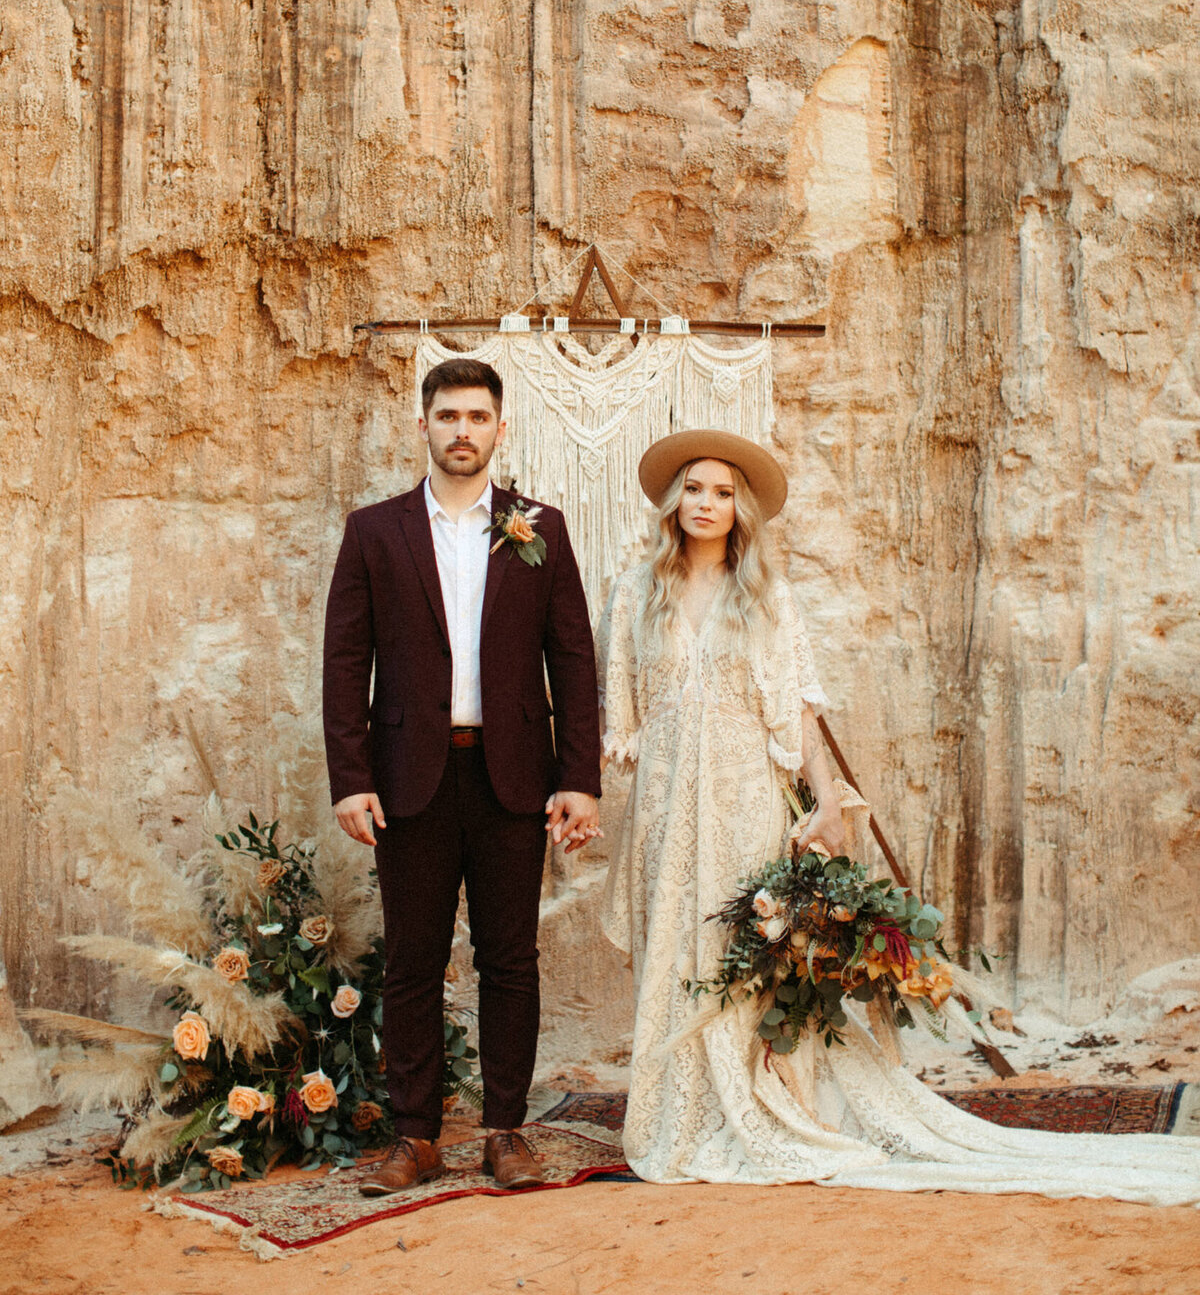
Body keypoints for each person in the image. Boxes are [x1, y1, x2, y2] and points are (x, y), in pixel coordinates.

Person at [599, 428, 1200, 1203]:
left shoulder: (769, 597)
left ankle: (767, 1103)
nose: (706, 503)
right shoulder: (634, 593)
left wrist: (825, 806)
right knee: (674, 955)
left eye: (722, 492)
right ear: (673, 500)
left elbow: (804, 714)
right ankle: (674, 1117)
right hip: (665, 808)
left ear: (741, 509)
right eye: (694, 488)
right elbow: (621, 720)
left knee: (745, 955)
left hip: (744, 796)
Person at [323, 357, 602, 1195]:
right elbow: (346, 663)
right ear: (423, 426)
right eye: (448, 417)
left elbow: (573, 659)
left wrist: (578, 776)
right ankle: (414, 1137)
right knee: (413, 960)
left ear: (500, 428)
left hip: (513, 776)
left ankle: (504, 1131)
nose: (462, 432)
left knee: (510, 958)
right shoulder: (375, 531)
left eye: (478, 417)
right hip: (408, 777)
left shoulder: (537, 526)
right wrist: (350, 775)